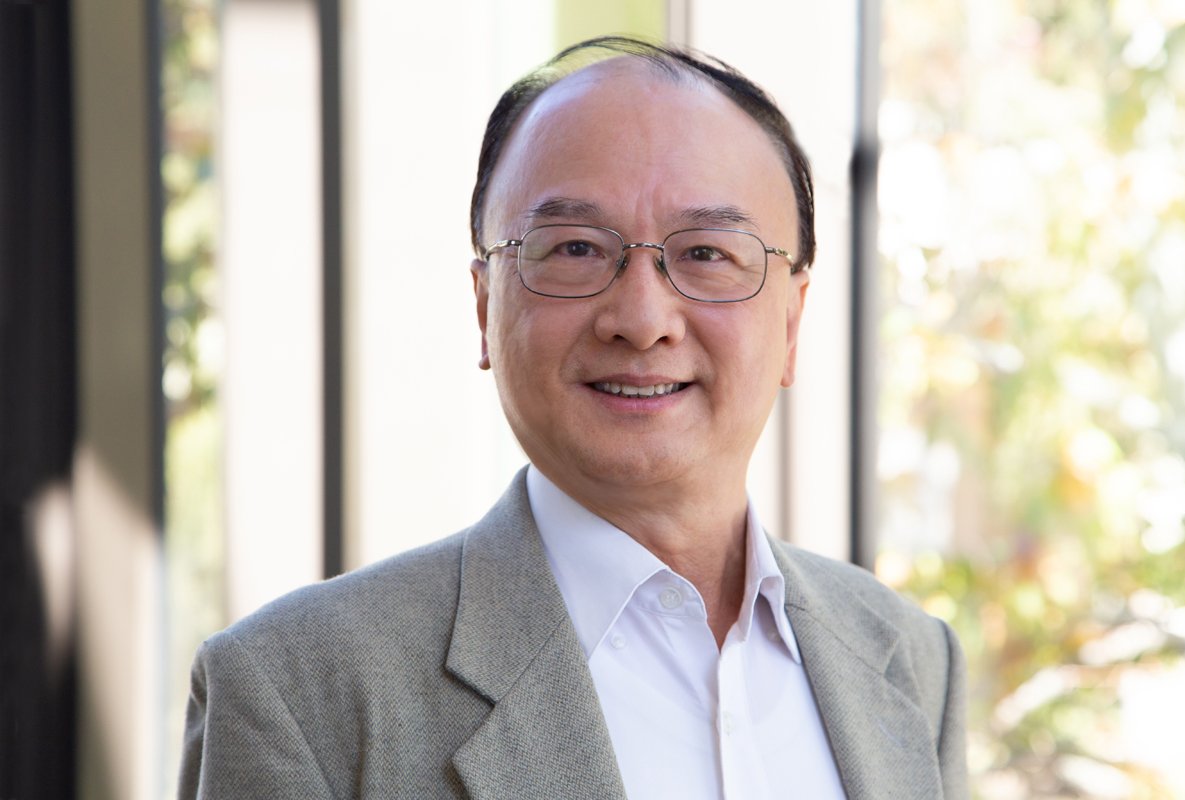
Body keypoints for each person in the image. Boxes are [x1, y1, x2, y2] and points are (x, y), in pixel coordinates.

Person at [178, 36, 966, 800]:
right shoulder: (297, 693)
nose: (642, 320)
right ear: (485, 306)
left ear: (791, 324)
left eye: (706, 254)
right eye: (576, 249)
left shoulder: (910, 661)